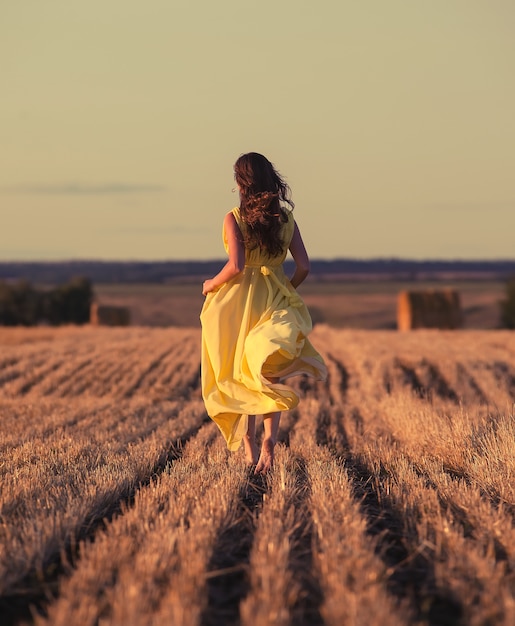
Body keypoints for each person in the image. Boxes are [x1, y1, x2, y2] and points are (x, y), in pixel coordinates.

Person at [200, 152, 327, 473]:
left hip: (237, 302)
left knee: (238, 372)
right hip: (274, 297)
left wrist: (209, 284)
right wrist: (288, 289)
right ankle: (270, 441)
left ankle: (250, 444)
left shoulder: (234, 218)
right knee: (267, 371)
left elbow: (236, 266)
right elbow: (304, 266)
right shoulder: (285, 219)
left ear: (242, 182)